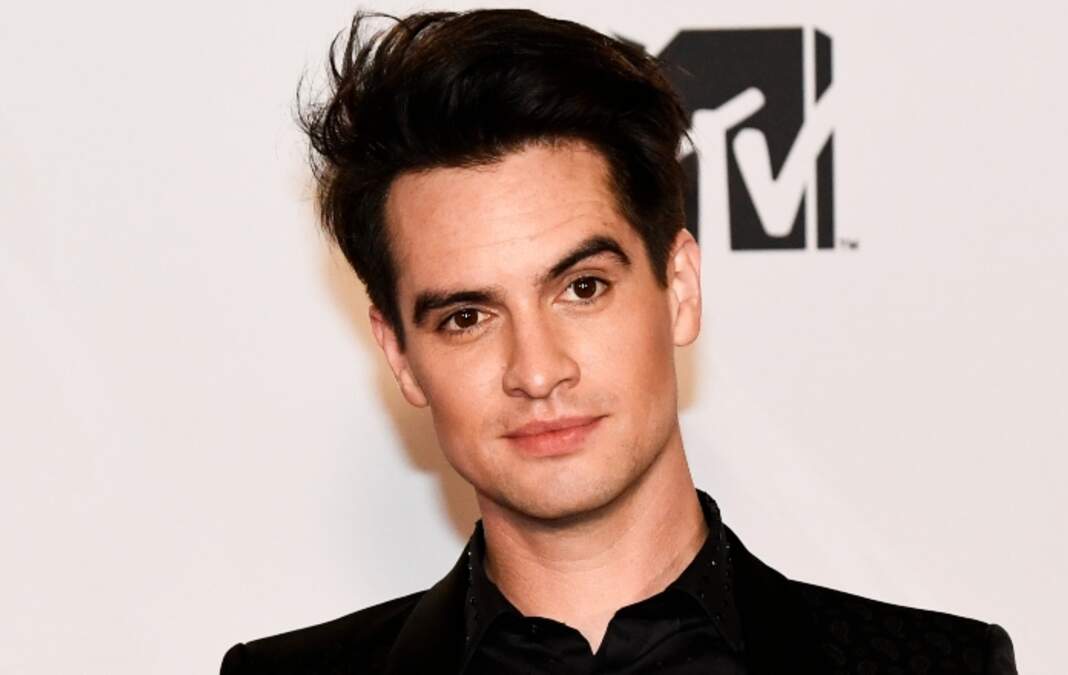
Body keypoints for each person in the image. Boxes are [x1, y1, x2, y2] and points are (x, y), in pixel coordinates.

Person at [221, 9, 1018, 674]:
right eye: (467, 317)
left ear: (681, 288)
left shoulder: (937, 667)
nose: (538, 371)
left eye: (582, 288)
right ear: (400, 354)